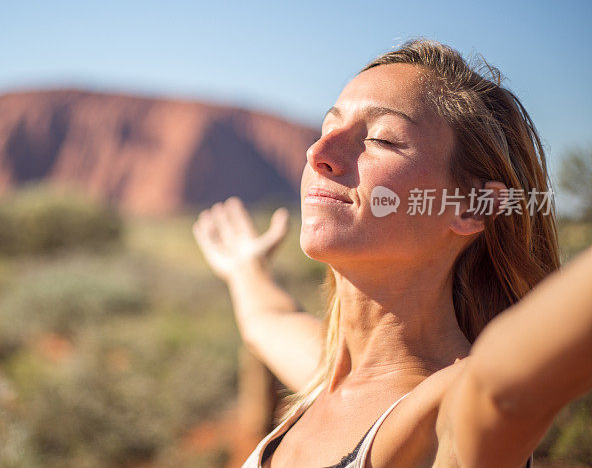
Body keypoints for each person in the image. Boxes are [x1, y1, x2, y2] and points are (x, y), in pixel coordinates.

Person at [192, 39, 592, 467]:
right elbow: (268, 320)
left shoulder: (447, 410)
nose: (317, 153)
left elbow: (507, 385)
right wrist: (245, 268)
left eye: (382, 139)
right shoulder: (327, 377)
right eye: (328, 127)